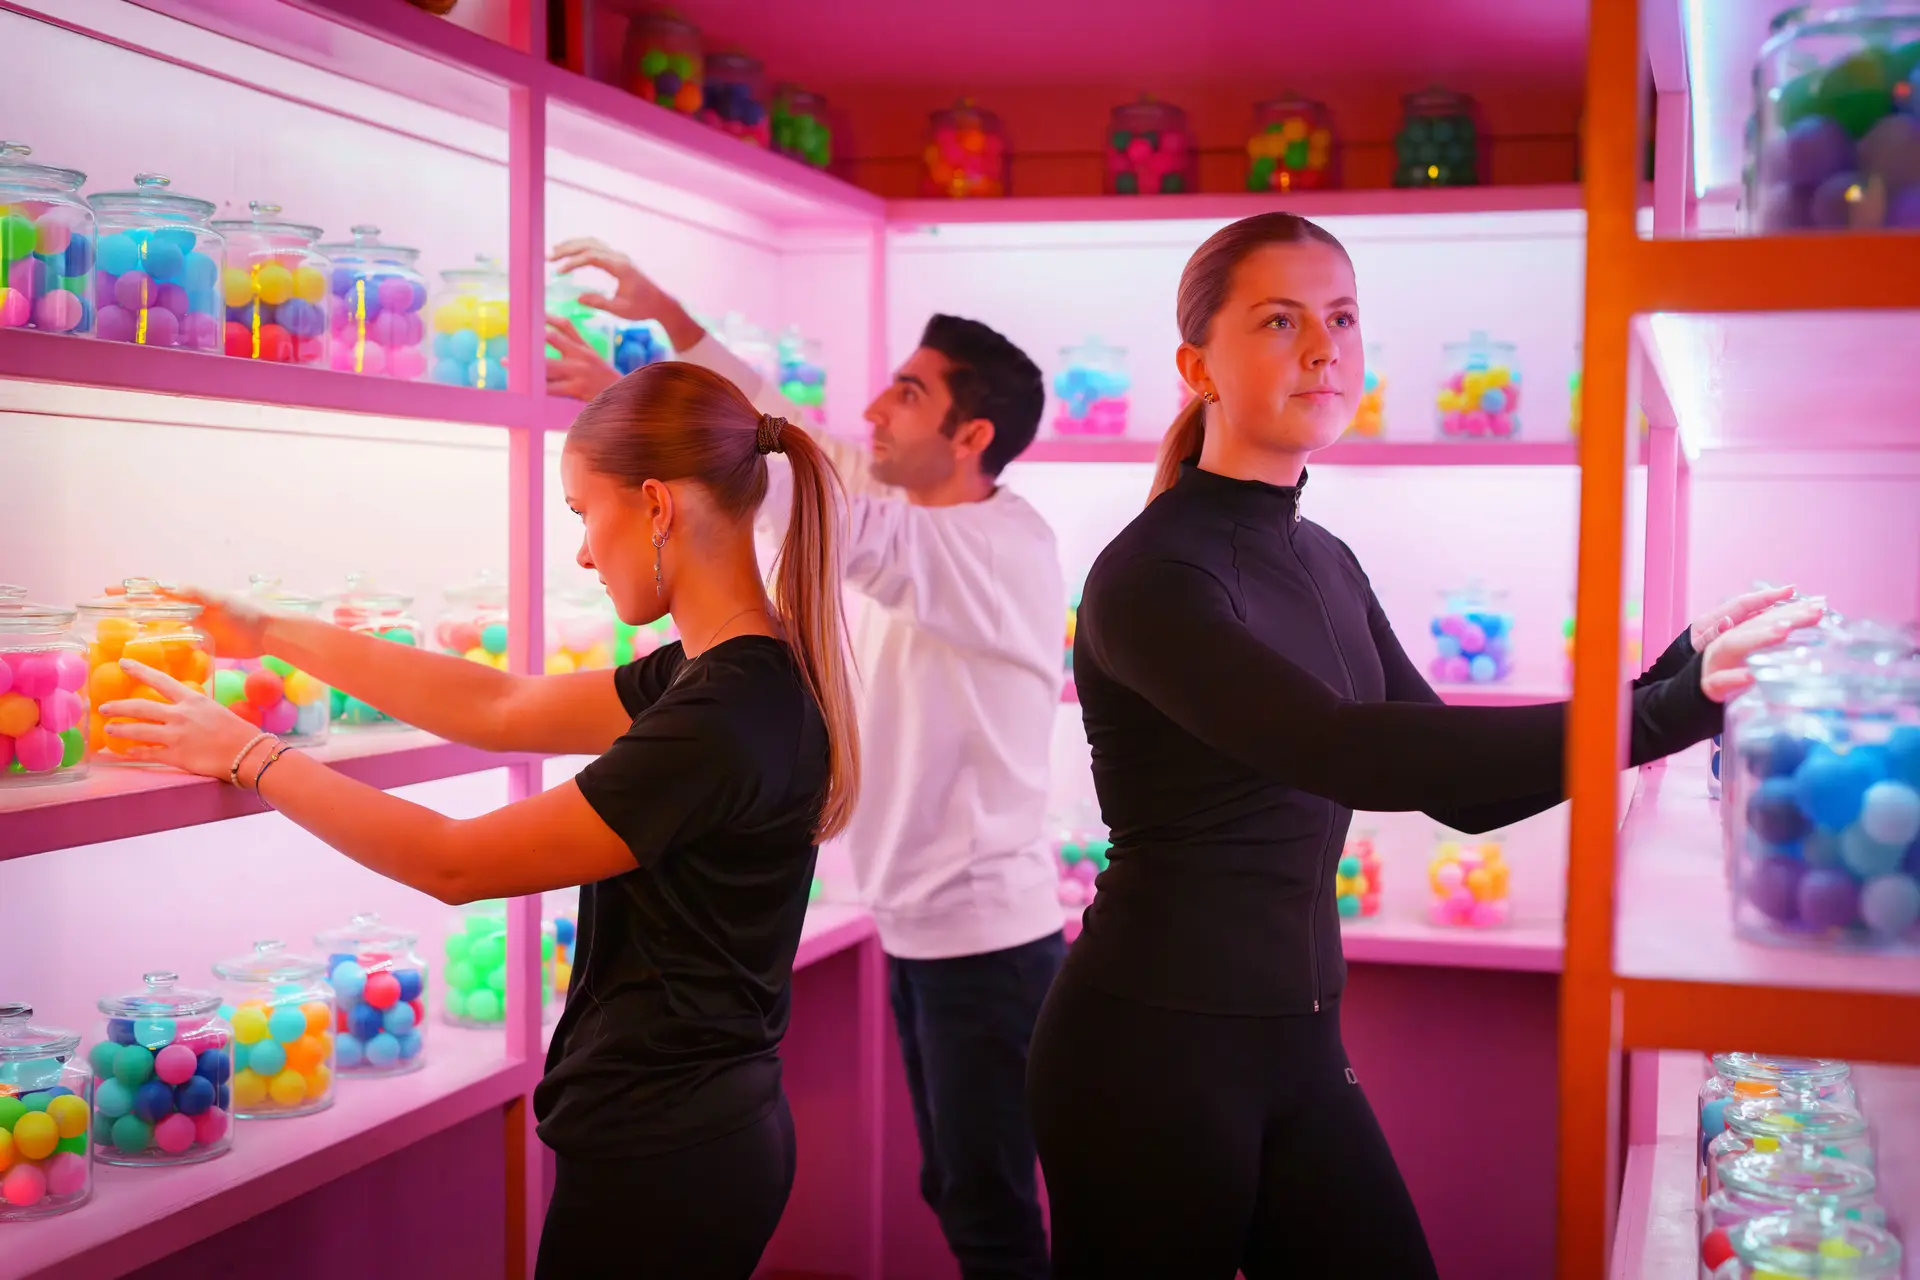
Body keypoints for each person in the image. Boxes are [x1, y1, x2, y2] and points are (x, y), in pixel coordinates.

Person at [1026, 211, 1822, 1279]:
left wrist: (1669, 676)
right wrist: (1667, 711)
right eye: (1280, 320)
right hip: (1146, 1052)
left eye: (1343, 318)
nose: (1324, 349)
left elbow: (1458, 787)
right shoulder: (1150, 577)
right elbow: (1346, 749)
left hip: (1300, 1044)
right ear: (1196, 367)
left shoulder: (1326, 557)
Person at [99, 361, 861, 1280]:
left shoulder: (724, 714)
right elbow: (500, 706)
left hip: (668, 1158)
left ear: (655, 507)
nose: (583, 554)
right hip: (696, 1135)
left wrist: (251, 755)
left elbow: (454, 862)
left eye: (583, 512)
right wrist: (266, 632)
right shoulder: (730, 673)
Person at [547, 238, 1067, 1280]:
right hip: (922, 924)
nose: (874, 408)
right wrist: (673, 328)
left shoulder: (1000, 547)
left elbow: (811, 494)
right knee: (960, 1188)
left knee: (988, 1207)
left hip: (987, 943)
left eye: (907, 394)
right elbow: (798, 440)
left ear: (971, 437)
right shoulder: (914, 503)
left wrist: (668, 444)